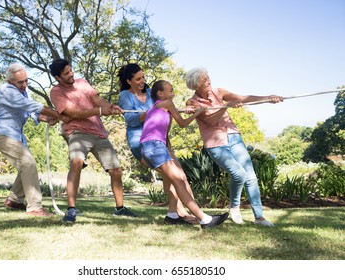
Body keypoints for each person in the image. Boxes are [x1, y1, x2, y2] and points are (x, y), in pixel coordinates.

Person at [185, 67, 283, 226]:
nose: (209, 81)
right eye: (204, 80)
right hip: (215, 143)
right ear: (195, 85)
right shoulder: (192, 102)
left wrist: (267, 98)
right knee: (238, 174)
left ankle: (259, 217)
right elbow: (210, 121)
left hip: (233, 135)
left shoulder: (219, 92)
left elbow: (243, 98)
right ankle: (234, 206)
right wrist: (226, 106)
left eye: (208, 77)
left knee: (250, 176)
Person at [49, 58, 137, 223]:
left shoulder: (82, 82)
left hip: (98, 131)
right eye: (66, 73)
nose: (71, 74)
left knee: (116, 170)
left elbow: (97, 99)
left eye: (71, 70)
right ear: (58, 78)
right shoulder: (56, 92)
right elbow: (73, 113)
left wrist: (109, 107)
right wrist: (100, 111)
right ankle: (71, 209)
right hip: (77, 132)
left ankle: (120, 208)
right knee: (76, 163)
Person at [140, 80, 230, 229]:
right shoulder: (167, 103)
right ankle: (205, 219)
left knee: (172, 179)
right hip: (155, 146)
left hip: (149, 147)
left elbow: (164, 130)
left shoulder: (155, 108)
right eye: (170, 90)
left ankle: (172, 215)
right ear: (160, 94)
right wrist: (197, 113)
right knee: (179, 180)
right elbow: (182, 123)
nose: (173, 93)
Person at [118, 63, 196, 225]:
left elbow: (166, 108)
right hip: (140, 141)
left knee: (177, 174)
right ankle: (182, 213)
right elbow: (131, 120)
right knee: (173, 175)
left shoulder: (150, 92)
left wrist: (185, 108)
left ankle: (175, 213)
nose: (142, 81)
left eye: (143, 77)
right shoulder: (125, 96)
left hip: (159, 139)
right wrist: (153, 111)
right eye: (138, 79)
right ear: (129, 81)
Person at [0, 63, 61, 217]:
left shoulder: (22, 92)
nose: (25, 84)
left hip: (13, 134)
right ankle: (34, 207)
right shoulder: (6, 91)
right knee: (28, 164)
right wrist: (58, 114)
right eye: (20, 82)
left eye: (27, 81)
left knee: (25, 166)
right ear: (10, 81)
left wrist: (47, 119)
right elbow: (31, 106)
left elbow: (30, 112)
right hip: (2, 133)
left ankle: (14, 200)